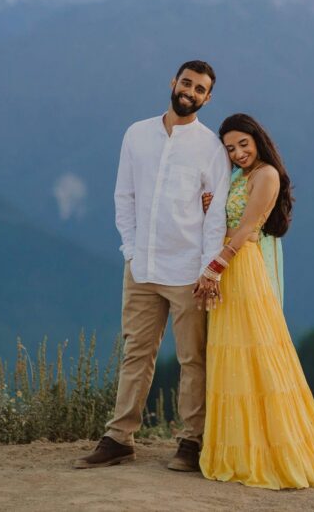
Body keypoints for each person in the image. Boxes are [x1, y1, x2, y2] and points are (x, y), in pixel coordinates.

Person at [74, 61, 231, 472]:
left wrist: (208, 268)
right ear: (173, 83)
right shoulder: (136, 134)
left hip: (187, 271)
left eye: (200, 89)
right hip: (141, 267)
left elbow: (215, 216)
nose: (191, 92)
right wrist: (129, 249)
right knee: (135, 354)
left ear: (207, 98)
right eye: (186, 83)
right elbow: (123, 195)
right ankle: (119, 438)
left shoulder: (212, 148)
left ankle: (191, 442)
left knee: (192, 359)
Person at [194, 113, 314, 489]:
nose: (238, 152)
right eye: (230, 148)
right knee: (231, 353)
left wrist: (216, 265)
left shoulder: (267, 175)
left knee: (258, 352)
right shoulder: (238, 176)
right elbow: (227, 221)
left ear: (258, 140)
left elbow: (249, 227)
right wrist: (209, 208)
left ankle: (272, 450)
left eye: (243, 144)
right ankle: (238, 448)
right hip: (228, 267)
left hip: (241, 267)